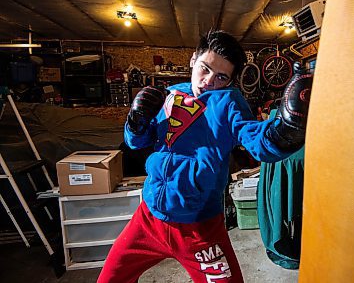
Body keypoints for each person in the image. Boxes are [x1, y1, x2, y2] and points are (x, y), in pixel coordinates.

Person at [97, 29, 313, 283]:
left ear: (230, 81)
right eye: (205, 68)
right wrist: (136, 121)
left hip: (199, 229)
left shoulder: (228, 103)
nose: (210, 80)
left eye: (221, 76)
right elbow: (137, 142)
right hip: (149, 218)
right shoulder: (169, 95)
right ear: (193, 59)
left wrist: (285, 131)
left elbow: (257, 142)